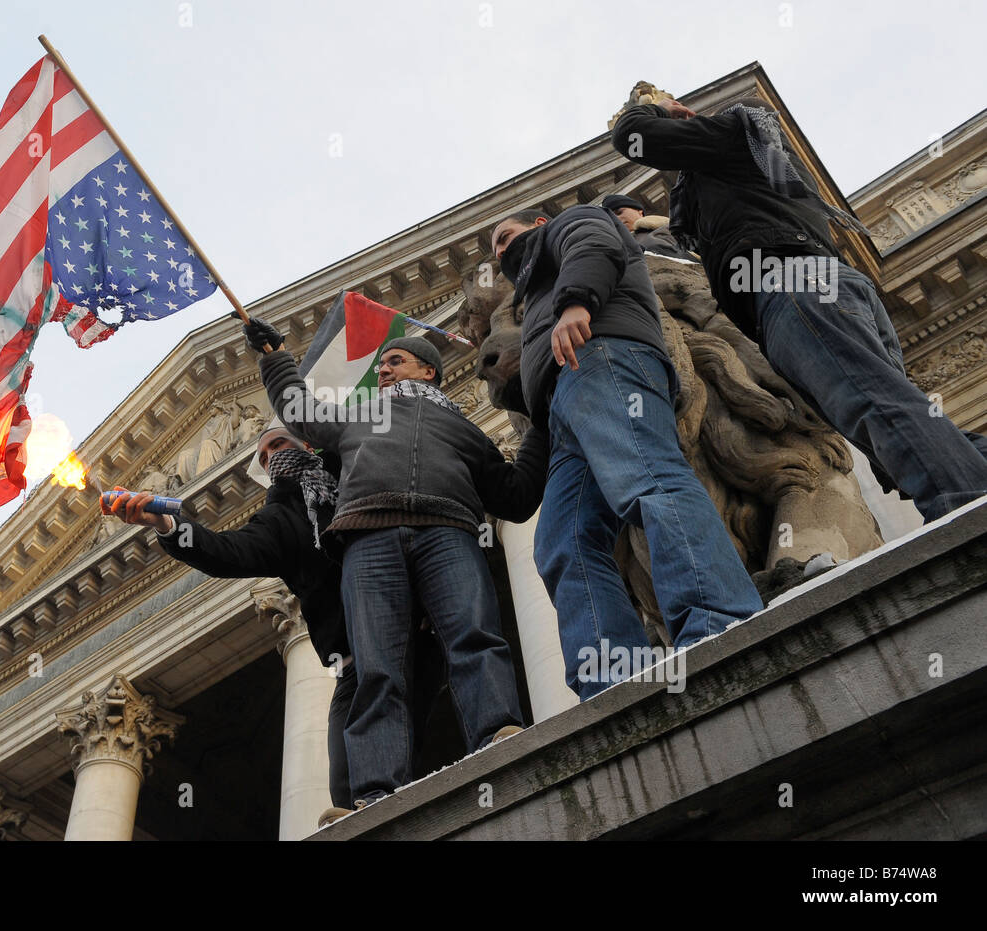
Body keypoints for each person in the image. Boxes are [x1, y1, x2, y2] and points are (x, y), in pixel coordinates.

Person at [611, 95, 987, 521]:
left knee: (878, 411)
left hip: (793, 288)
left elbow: (634, 137)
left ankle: (969, 521)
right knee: (894, 427)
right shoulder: (758, 167)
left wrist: (654, 109)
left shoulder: (734, 134)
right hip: (823, 288)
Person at [243, 321, 546, 812]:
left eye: (394, 362)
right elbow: (299, 412)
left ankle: (497, 735)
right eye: (381, 364)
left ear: (429, 371)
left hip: (445, 530)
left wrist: (537, 423)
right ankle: (375, 791)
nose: (381, 371)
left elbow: (515, 497)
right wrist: (276, 357)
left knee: (473, 636)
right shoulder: (355, 416)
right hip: (369, 541)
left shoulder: (463, 429)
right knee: (377, 669)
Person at [103, 426, 443, 827]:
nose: (270, 456)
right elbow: (227, 552)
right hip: (351, 656)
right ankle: (362, 822)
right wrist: (168, 526)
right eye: (263, 456)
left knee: (396, 740)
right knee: (345, 757)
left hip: (409, 630)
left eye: (278, 444)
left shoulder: (354, 468)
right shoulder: (281, 517)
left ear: (309, 443)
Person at [490, 205, 764, 700]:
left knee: (649, 479)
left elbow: (596, 248)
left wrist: (576, 303)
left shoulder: (572, 223)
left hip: (603, 358)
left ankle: (717, 618)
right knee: (561, 541)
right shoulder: (531, 292)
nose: (501, 250)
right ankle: (610, 678)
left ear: (537, 225)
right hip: (564, 402)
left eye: (506, 236)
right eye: (495, 248)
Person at [601, 193, 697, 261]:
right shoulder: (617, 246)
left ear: (639, 211)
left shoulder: (671, 228)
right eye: (612, 218)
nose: (617, 219)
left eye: (619, 212)